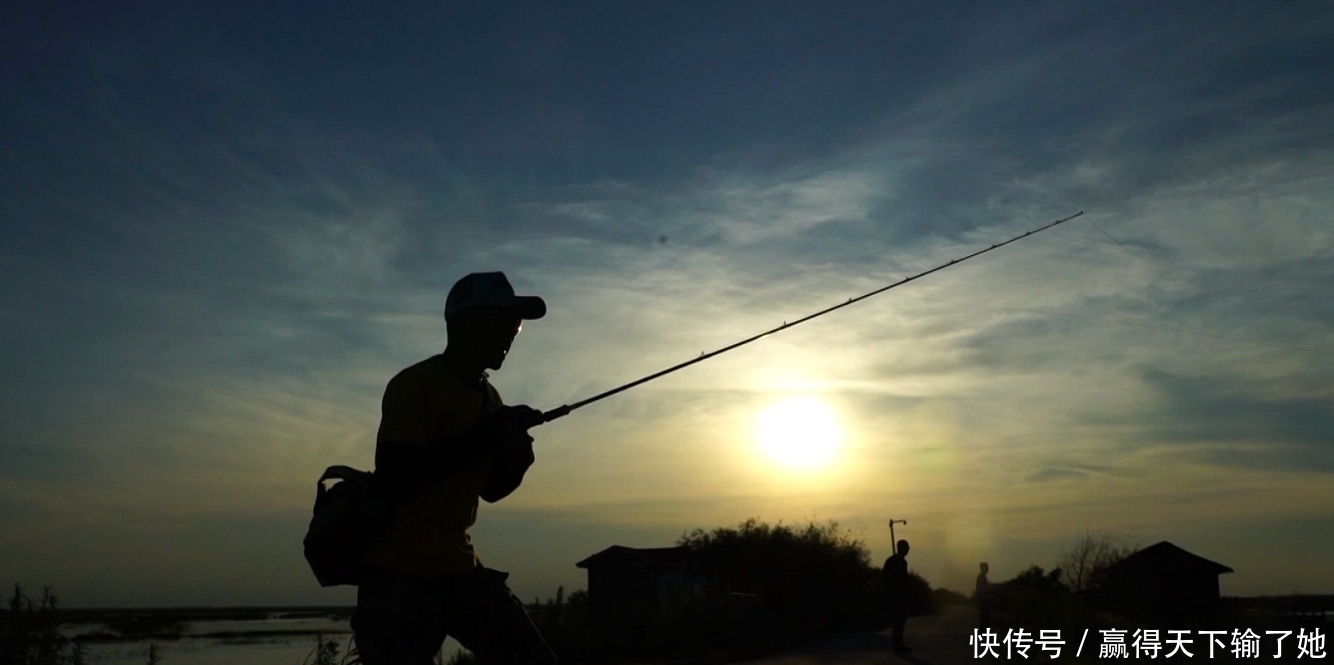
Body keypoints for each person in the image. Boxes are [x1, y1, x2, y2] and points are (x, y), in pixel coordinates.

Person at [350, 271, 557, 664]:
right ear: (465, 325)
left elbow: (491, 490)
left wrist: (518, 456)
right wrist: (486, 437)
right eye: (502, 322)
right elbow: (397, 474)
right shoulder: (414, 385)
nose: (511, 333)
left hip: (460, 569)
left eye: (515, 325)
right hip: (397, 576)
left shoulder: (491, 398)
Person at [882, 539, 912, 654]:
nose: (908, 549)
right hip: (895, 596)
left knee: (901, 620)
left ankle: (899, 644)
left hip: (901, 595)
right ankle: (896, 645)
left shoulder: (902, 562)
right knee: (898, 621)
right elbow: (885, 578)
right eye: (906, 547)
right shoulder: (892, 561)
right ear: (901, 548)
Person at [976, 562, 992, 629]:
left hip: (983, 598)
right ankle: (983, 631)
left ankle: (983, 631)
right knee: (985, 616)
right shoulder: (981, 577)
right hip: (983, 599)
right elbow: (982, 589)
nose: (988, 569)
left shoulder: (982, 576)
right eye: (986, 567)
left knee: (984, 616)